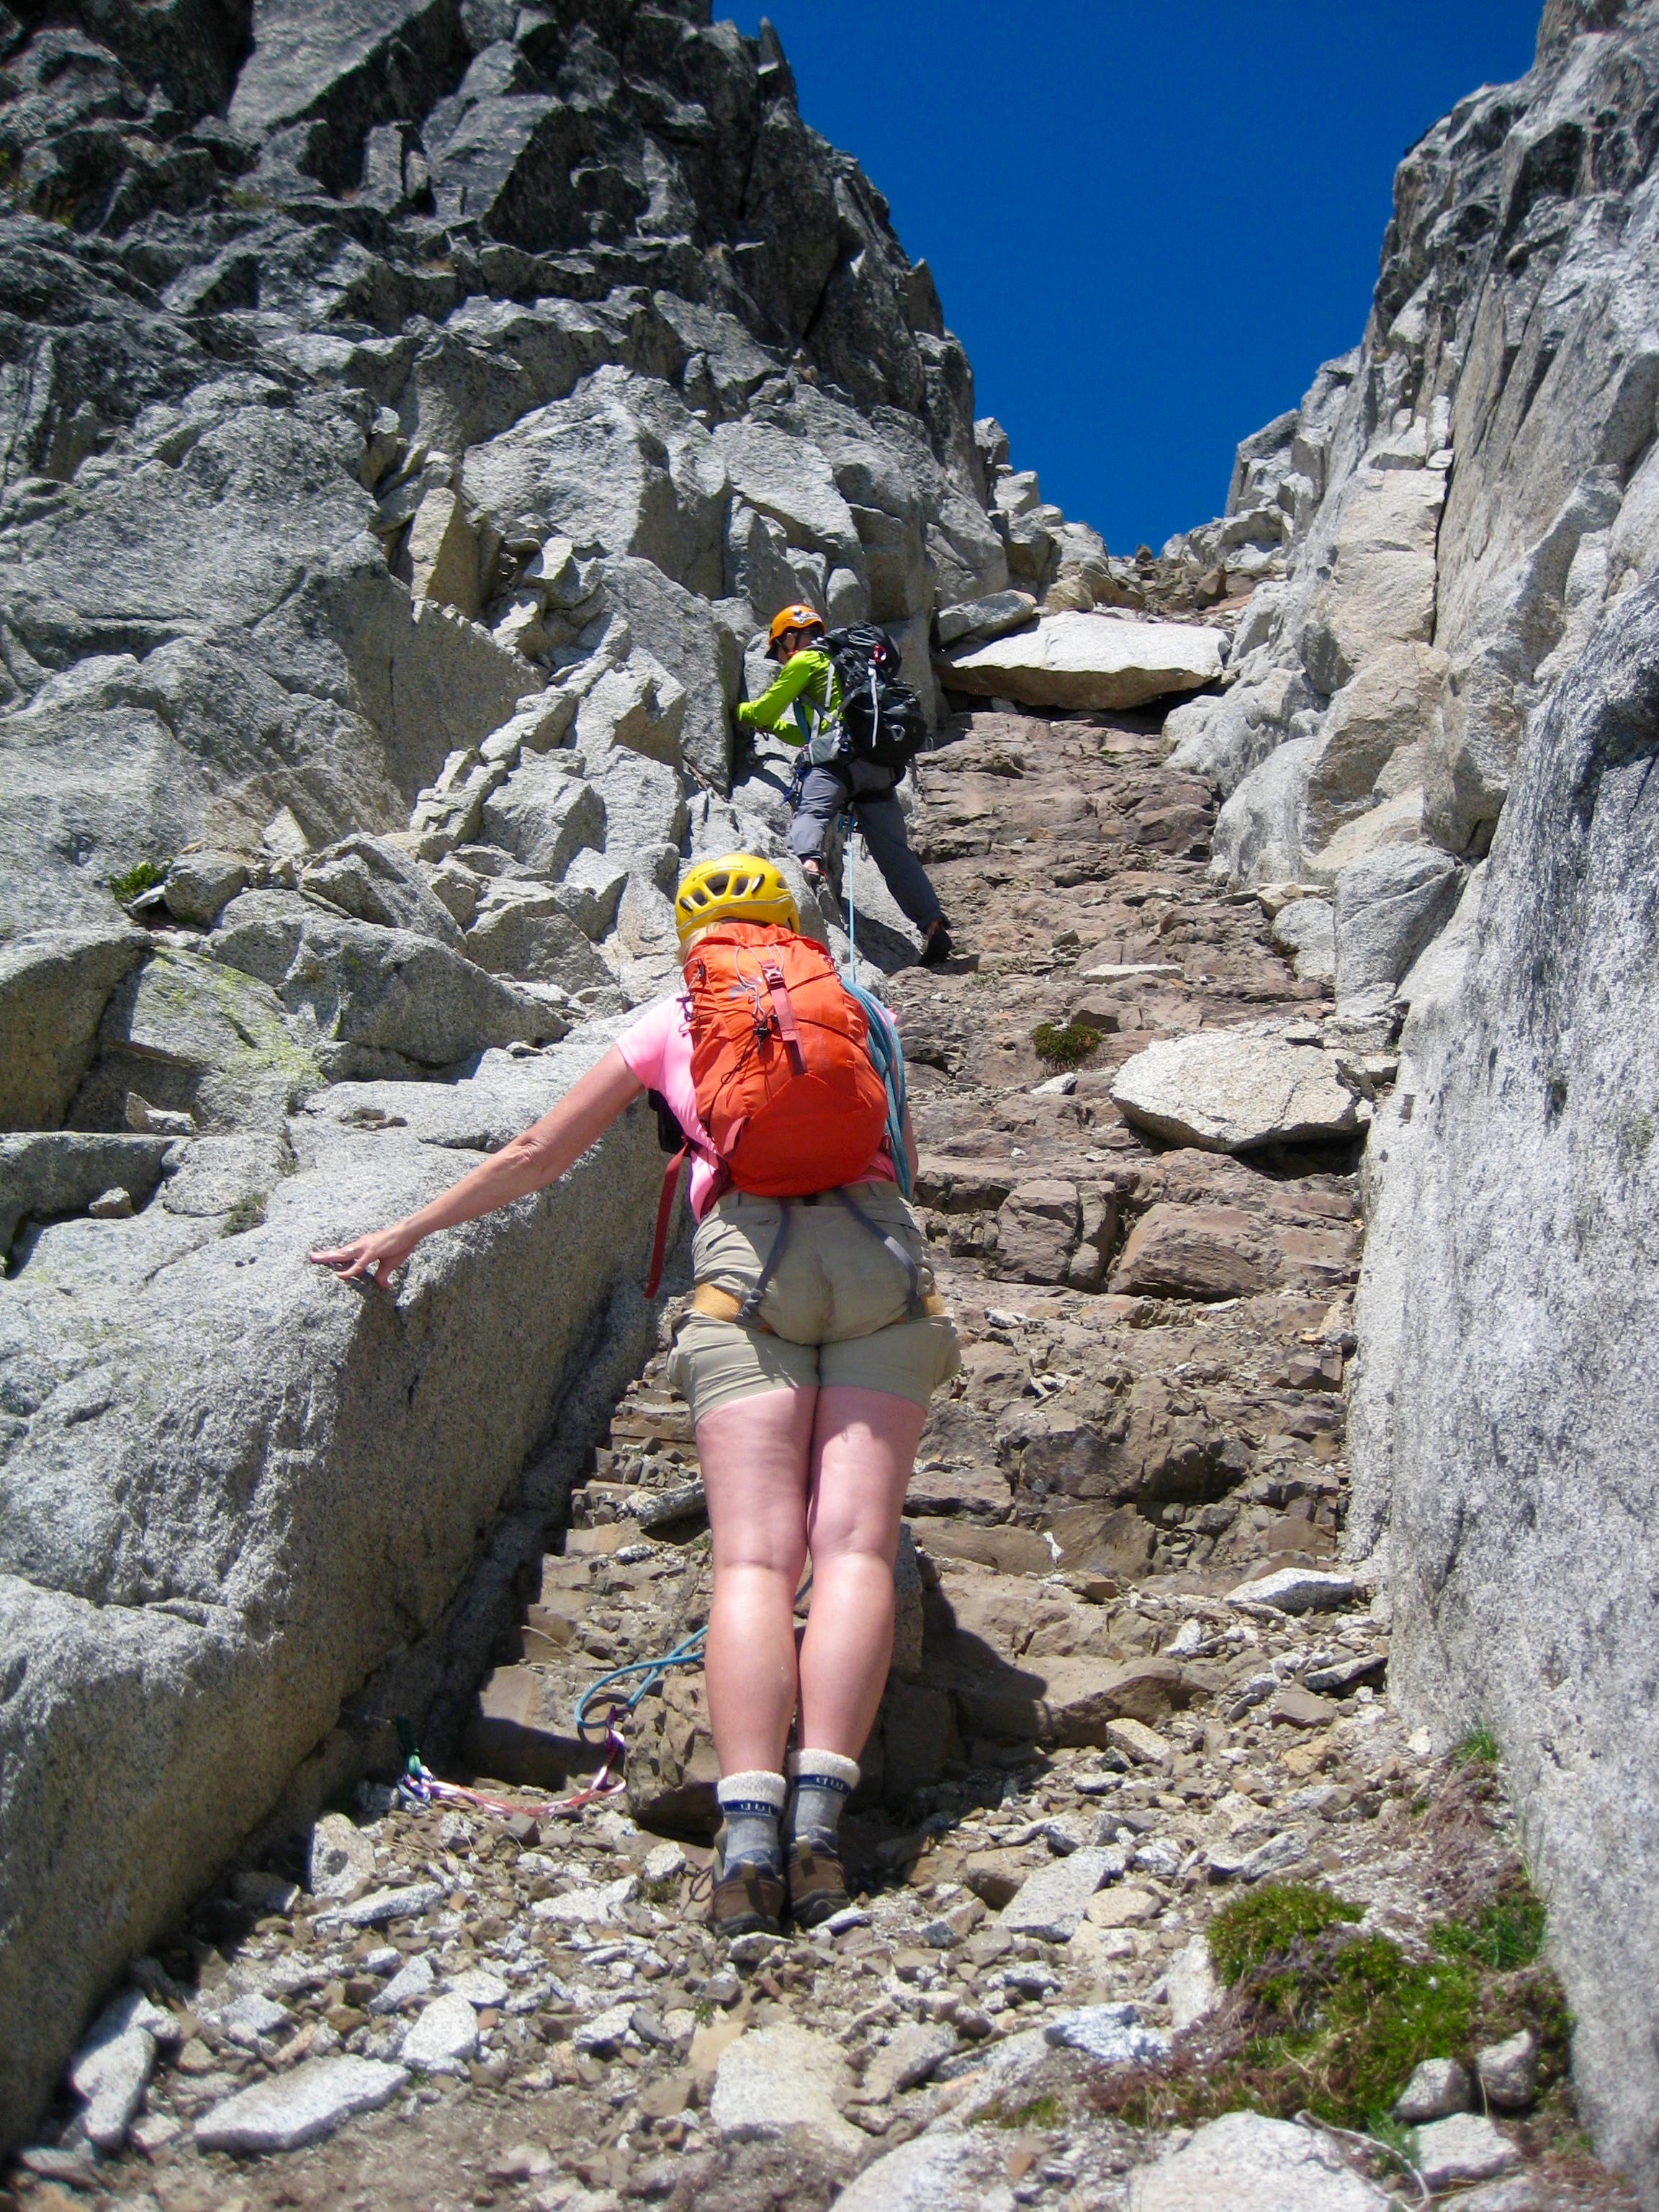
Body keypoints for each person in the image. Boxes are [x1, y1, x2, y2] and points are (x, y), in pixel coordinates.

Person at [310, 853, 960, 1938]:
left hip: (747, 1267)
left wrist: (408, 1230)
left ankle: (747, 1849)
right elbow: (900, 1157)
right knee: (854, 1549)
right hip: (879, 1262)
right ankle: (820, 1837)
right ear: (790, 925)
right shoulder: (860, 1008)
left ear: (691, 936)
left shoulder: (675, 1018)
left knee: (755, 1560)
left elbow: (535, 1154)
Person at [735, 604, 954, 966]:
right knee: (895, 853)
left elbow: (761, 712)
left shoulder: (806, 663)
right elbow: (807, 733)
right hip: (879, 766)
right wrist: (775, 729)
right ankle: (933, 925)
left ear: (792, 638)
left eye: (778, 649)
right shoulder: (853, 667)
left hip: (840, 765)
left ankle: (807, 866)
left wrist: (737, 711)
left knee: (812, 812)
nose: (778, 657)